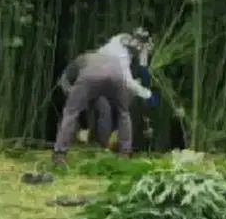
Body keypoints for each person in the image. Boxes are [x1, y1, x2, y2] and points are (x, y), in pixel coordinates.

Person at [53, 29, 156, 165]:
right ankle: (124, 152)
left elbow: (64, 78)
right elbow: (128, 79)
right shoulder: (117, 53)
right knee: (123, 113)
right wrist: (146, 93)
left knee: (71, 112)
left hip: (91, 77)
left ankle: (60, 153)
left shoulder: (83, 58)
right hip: (117, 76)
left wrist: (69, 91)